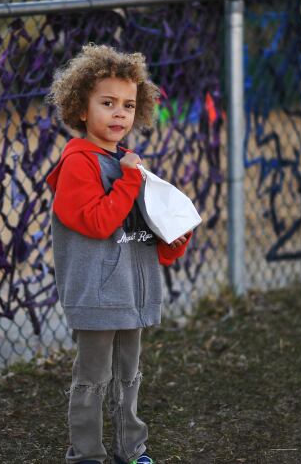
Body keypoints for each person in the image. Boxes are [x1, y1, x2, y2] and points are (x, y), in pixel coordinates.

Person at [45, 43, 192, 464]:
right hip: (97, 293)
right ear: (80, 108)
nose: (119, 114)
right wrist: (129, 180)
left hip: (131, 291)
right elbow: (97, 222)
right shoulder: (78, 163)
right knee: (93, 377)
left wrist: (172, 237)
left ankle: (132, 450)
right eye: (107, 103)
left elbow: (137, 226)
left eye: (128, 105)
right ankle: (86, 455)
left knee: (129, 375)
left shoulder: (127, 163)